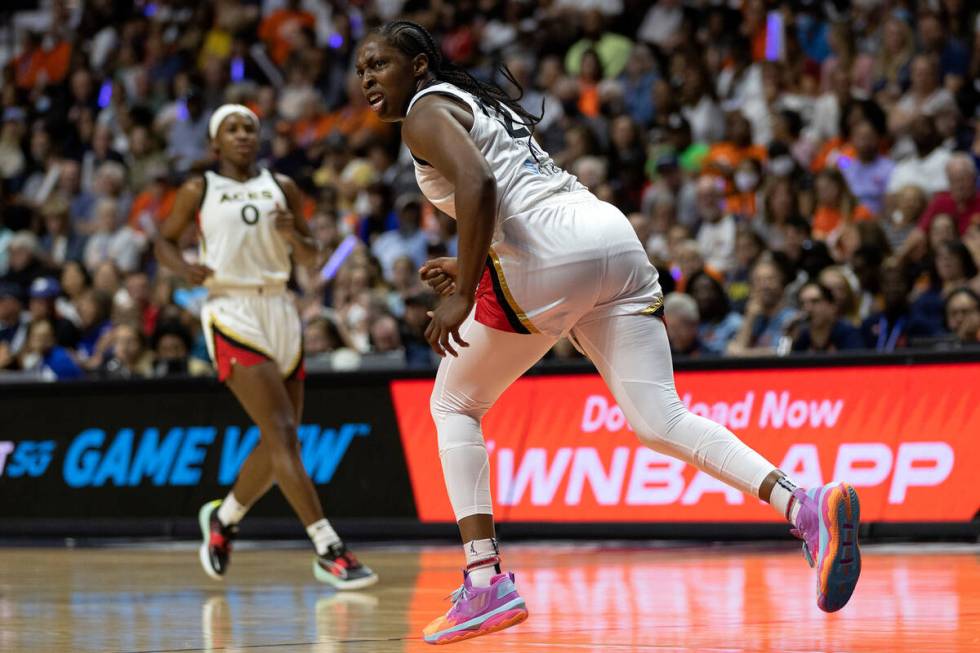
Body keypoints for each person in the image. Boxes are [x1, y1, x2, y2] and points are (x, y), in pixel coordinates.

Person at [355, 21, 862, 645]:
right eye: (360, 70)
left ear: (420, 66)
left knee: (454, 403)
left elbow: (481, 186)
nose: (368, 79)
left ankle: (485, 581)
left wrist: (464, 289)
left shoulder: (423, 113)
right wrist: (469, 265)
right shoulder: (474, 103)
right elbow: (509, 191)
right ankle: (803, 504)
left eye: (379, 64)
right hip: (608, 236)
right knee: (659, 419)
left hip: (549, 256)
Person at [153, 104, 376, 590]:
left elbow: (314, 256)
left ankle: (225, 518)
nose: (242, 135)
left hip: (281, 309)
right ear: (215, 144)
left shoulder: (284, 187)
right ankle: (327, 547)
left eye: (249, 129)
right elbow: (163, 241)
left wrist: (292, 234)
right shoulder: (200, 189)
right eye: (231, 129)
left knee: (282, 439)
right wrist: (182, 269)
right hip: (230, 310)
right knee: (280, 431)